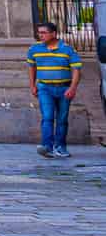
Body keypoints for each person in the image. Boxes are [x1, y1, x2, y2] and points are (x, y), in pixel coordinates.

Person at [27, 20, 83, 158]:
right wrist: (32, 85)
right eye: (39, 33)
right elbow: (32, 68)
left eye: (44, 33)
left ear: (53, 34)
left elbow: (76, 70)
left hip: (64, 89)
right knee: (47, 117)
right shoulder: (34, 49)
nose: (41, 35)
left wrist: (72, 88)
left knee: (62, 119)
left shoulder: (68, 49)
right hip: (44, 88)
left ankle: (61, 148)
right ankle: (47, 147)